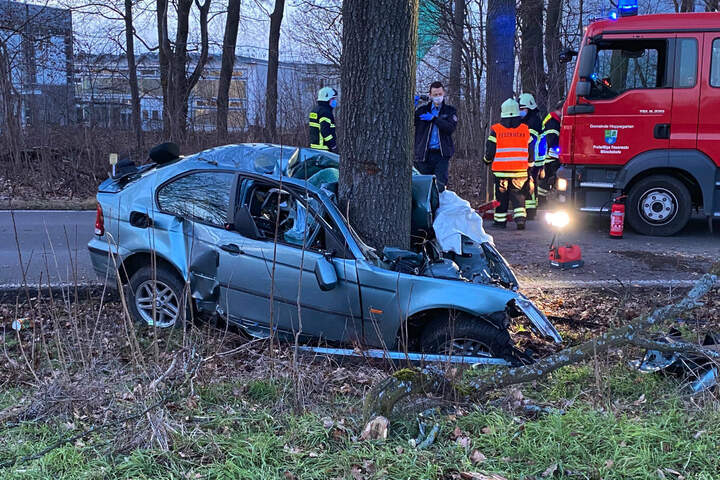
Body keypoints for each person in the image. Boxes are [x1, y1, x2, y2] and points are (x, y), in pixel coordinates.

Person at [483, 98, 531, 230]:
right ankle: (520, 220)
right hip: (520, 172)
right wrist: (531, 164)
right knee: (519, 197)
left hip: (501, 172)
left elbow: (490, 150)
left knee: (501, 197)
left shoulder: (496, 130)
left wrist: (486, 160)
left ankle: (500, 221)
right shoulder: (525, 130)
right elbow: (531, 149)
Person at [414, 81, 457, 191]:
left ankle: (439, 206)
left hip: (441, 154)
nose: (438, 97)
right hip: (423, 155)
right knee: (423, 188)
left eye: (440, 94)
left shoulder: (450, 111)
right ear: (430, 95)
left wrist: (435, 119)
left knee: (440, 186)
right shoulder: (422, 111)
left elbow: (450, 128)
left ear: (444, 93)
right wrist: (412, 107)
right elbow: (409, 123)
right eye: (435, 95)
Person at [519, 93, 542, 218]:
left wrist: (529, 160)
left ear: (530, 108)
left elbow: (530, 142)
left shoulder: (533, 122)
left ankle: (531, 210)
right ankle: (530, 209)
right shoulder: (531, 120)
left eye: (523, 109)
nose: (520, 111)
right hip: (532, 157)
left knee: (530, 182)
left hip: (533, 158)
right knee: (530, 183)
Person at [537, 99, 563, 199]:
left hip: (548, 157)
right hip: (549, 158)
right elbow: (551, 140)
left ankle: (541, 200)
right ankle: (541, 202)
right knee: (545, 183)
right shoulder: (553, 121)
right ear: (561, 109)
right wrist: (559, 152)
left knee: (546, 182)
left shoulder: (552, 119)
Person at [309, 87, 338, 153]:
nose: (335, 101)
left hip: (314, 146)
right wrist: (333, 145)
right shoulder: (325, 112)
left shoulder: (315, 110)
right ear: (327, 99)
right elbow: (325, 131)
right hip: (324, 148)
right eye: (333, 99)